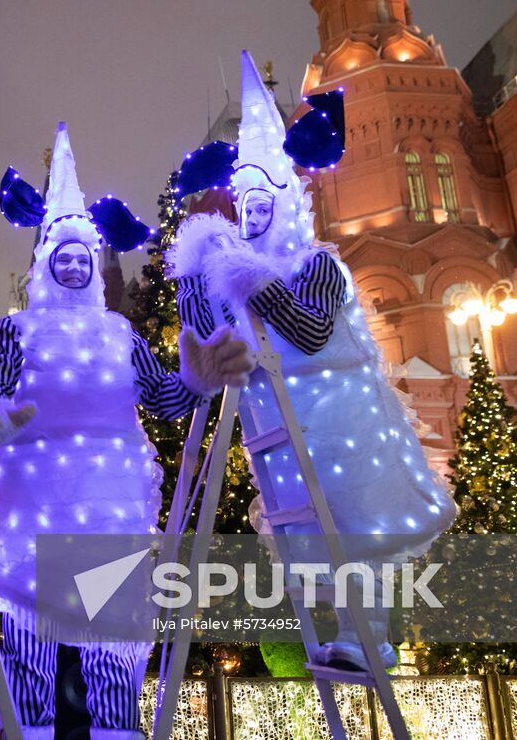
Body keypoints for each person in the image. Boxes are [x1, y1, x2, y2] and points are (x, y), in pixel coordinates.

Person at [0, 124, 255, 740]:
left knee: (112, 650)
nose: (72, 264)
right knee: (30, 644)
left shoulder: (120, 334)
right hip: (34, 509)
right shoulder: (17, 331)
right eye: (61, 257)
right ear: (45, 265)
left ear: (93, 266)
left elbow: (167, 398)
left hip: (111, 510)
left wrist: (197, 376)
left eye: (81, 257)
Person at [168, 52, 457, 670]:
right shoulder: (242, 272)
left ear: (288, 200)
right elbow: (206, 332)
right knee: (321, 542)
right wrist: (195, 270)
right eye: (241, 203)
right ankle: (347, 638)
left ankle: (370, 639)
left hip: (347, 425)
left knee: (362, 534)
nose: (250, 213)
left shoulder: (319, 265)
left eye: (261, 199)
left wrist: (245, 275)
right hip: (288, 433)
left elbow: (310, 328)